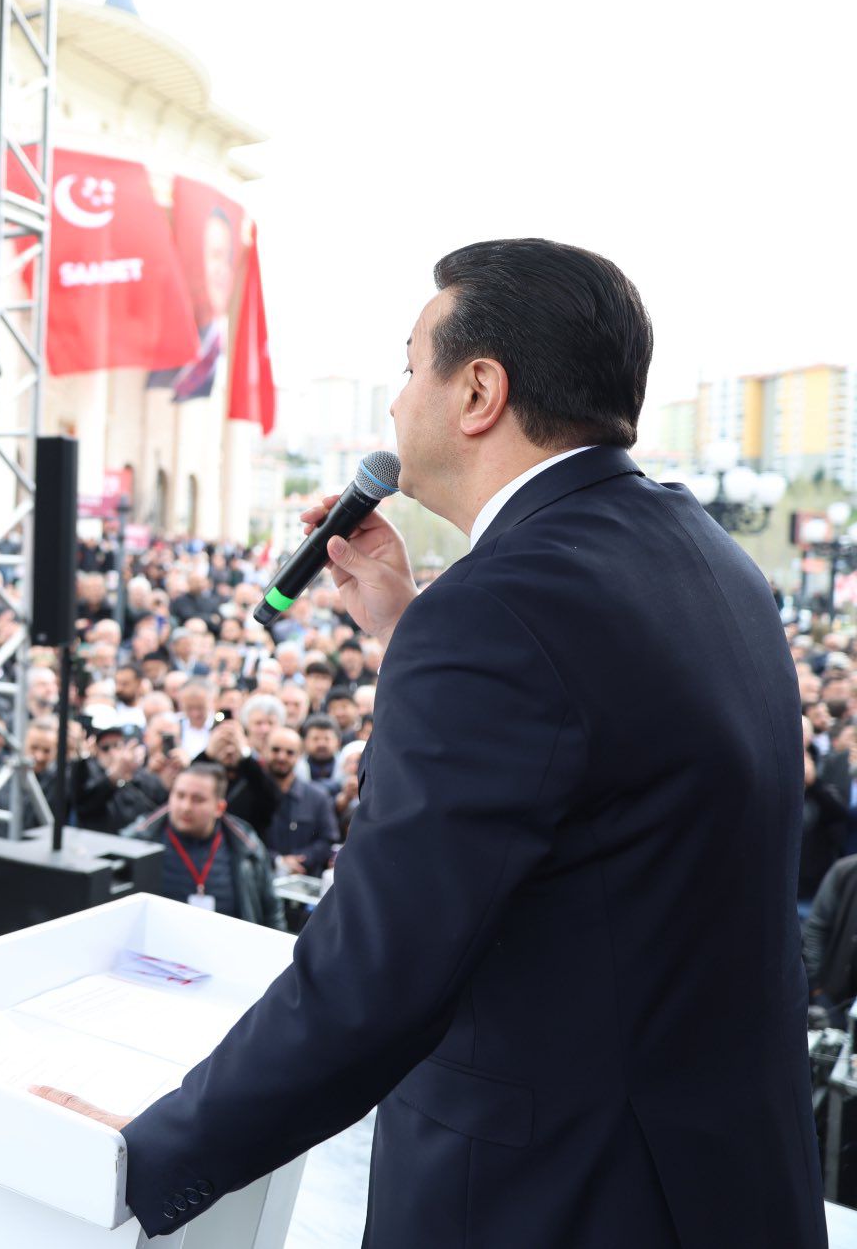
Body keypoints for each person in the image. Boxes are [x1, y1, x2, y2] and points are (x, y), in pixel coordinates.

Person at [41, 240, 826, 1247]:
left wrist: (142, 1157)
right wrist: (410, 628)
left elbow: (373, 979)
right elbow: (596, 786)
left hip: (556, 1198)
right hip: (721, 1179)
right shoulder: (702, 551)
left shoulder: (497, 613)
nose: (394, 398)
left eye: (410, 365)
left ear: (478, 392)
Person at [128, 762, 282, 928]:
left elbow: (271, 911)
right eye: (180, 795)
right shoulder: (137, 841)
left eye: (198, 799)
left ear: (219, 807)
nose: (186, 807)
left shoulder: (247, 846)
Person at [258, 728, 338, 875]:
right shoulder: (251, 794)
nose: (282, 757)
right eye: (275, 750)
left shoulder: (318, 797)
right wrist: (277, 861)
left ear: (300, 755)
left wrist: (299, 860)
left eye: (290, 752)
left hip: (306, 879)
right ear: (264, 750)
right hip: (261, 878)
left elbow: (328, 839)